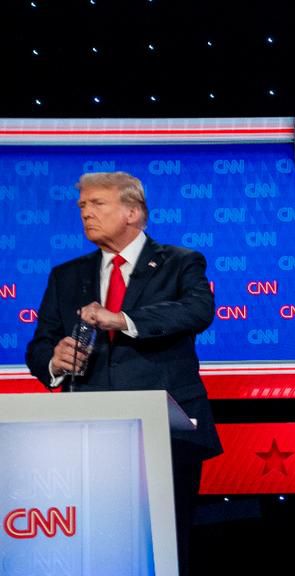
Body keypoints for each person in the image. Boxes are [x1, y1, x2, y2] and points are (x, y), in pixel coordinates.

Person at [26, 171, 222, 576]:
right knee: (95, 541)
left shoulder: (181, 262)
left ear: (132, 212)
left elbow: (197, 311)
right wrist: (54, 360)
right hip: (89, 431)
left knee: (167, 544)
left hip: (167, 431)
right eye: (82, 206)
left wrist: (121, 319)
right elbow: (40, 344)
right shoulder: (66, 275)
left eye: (97, 204)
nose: (85, 213)